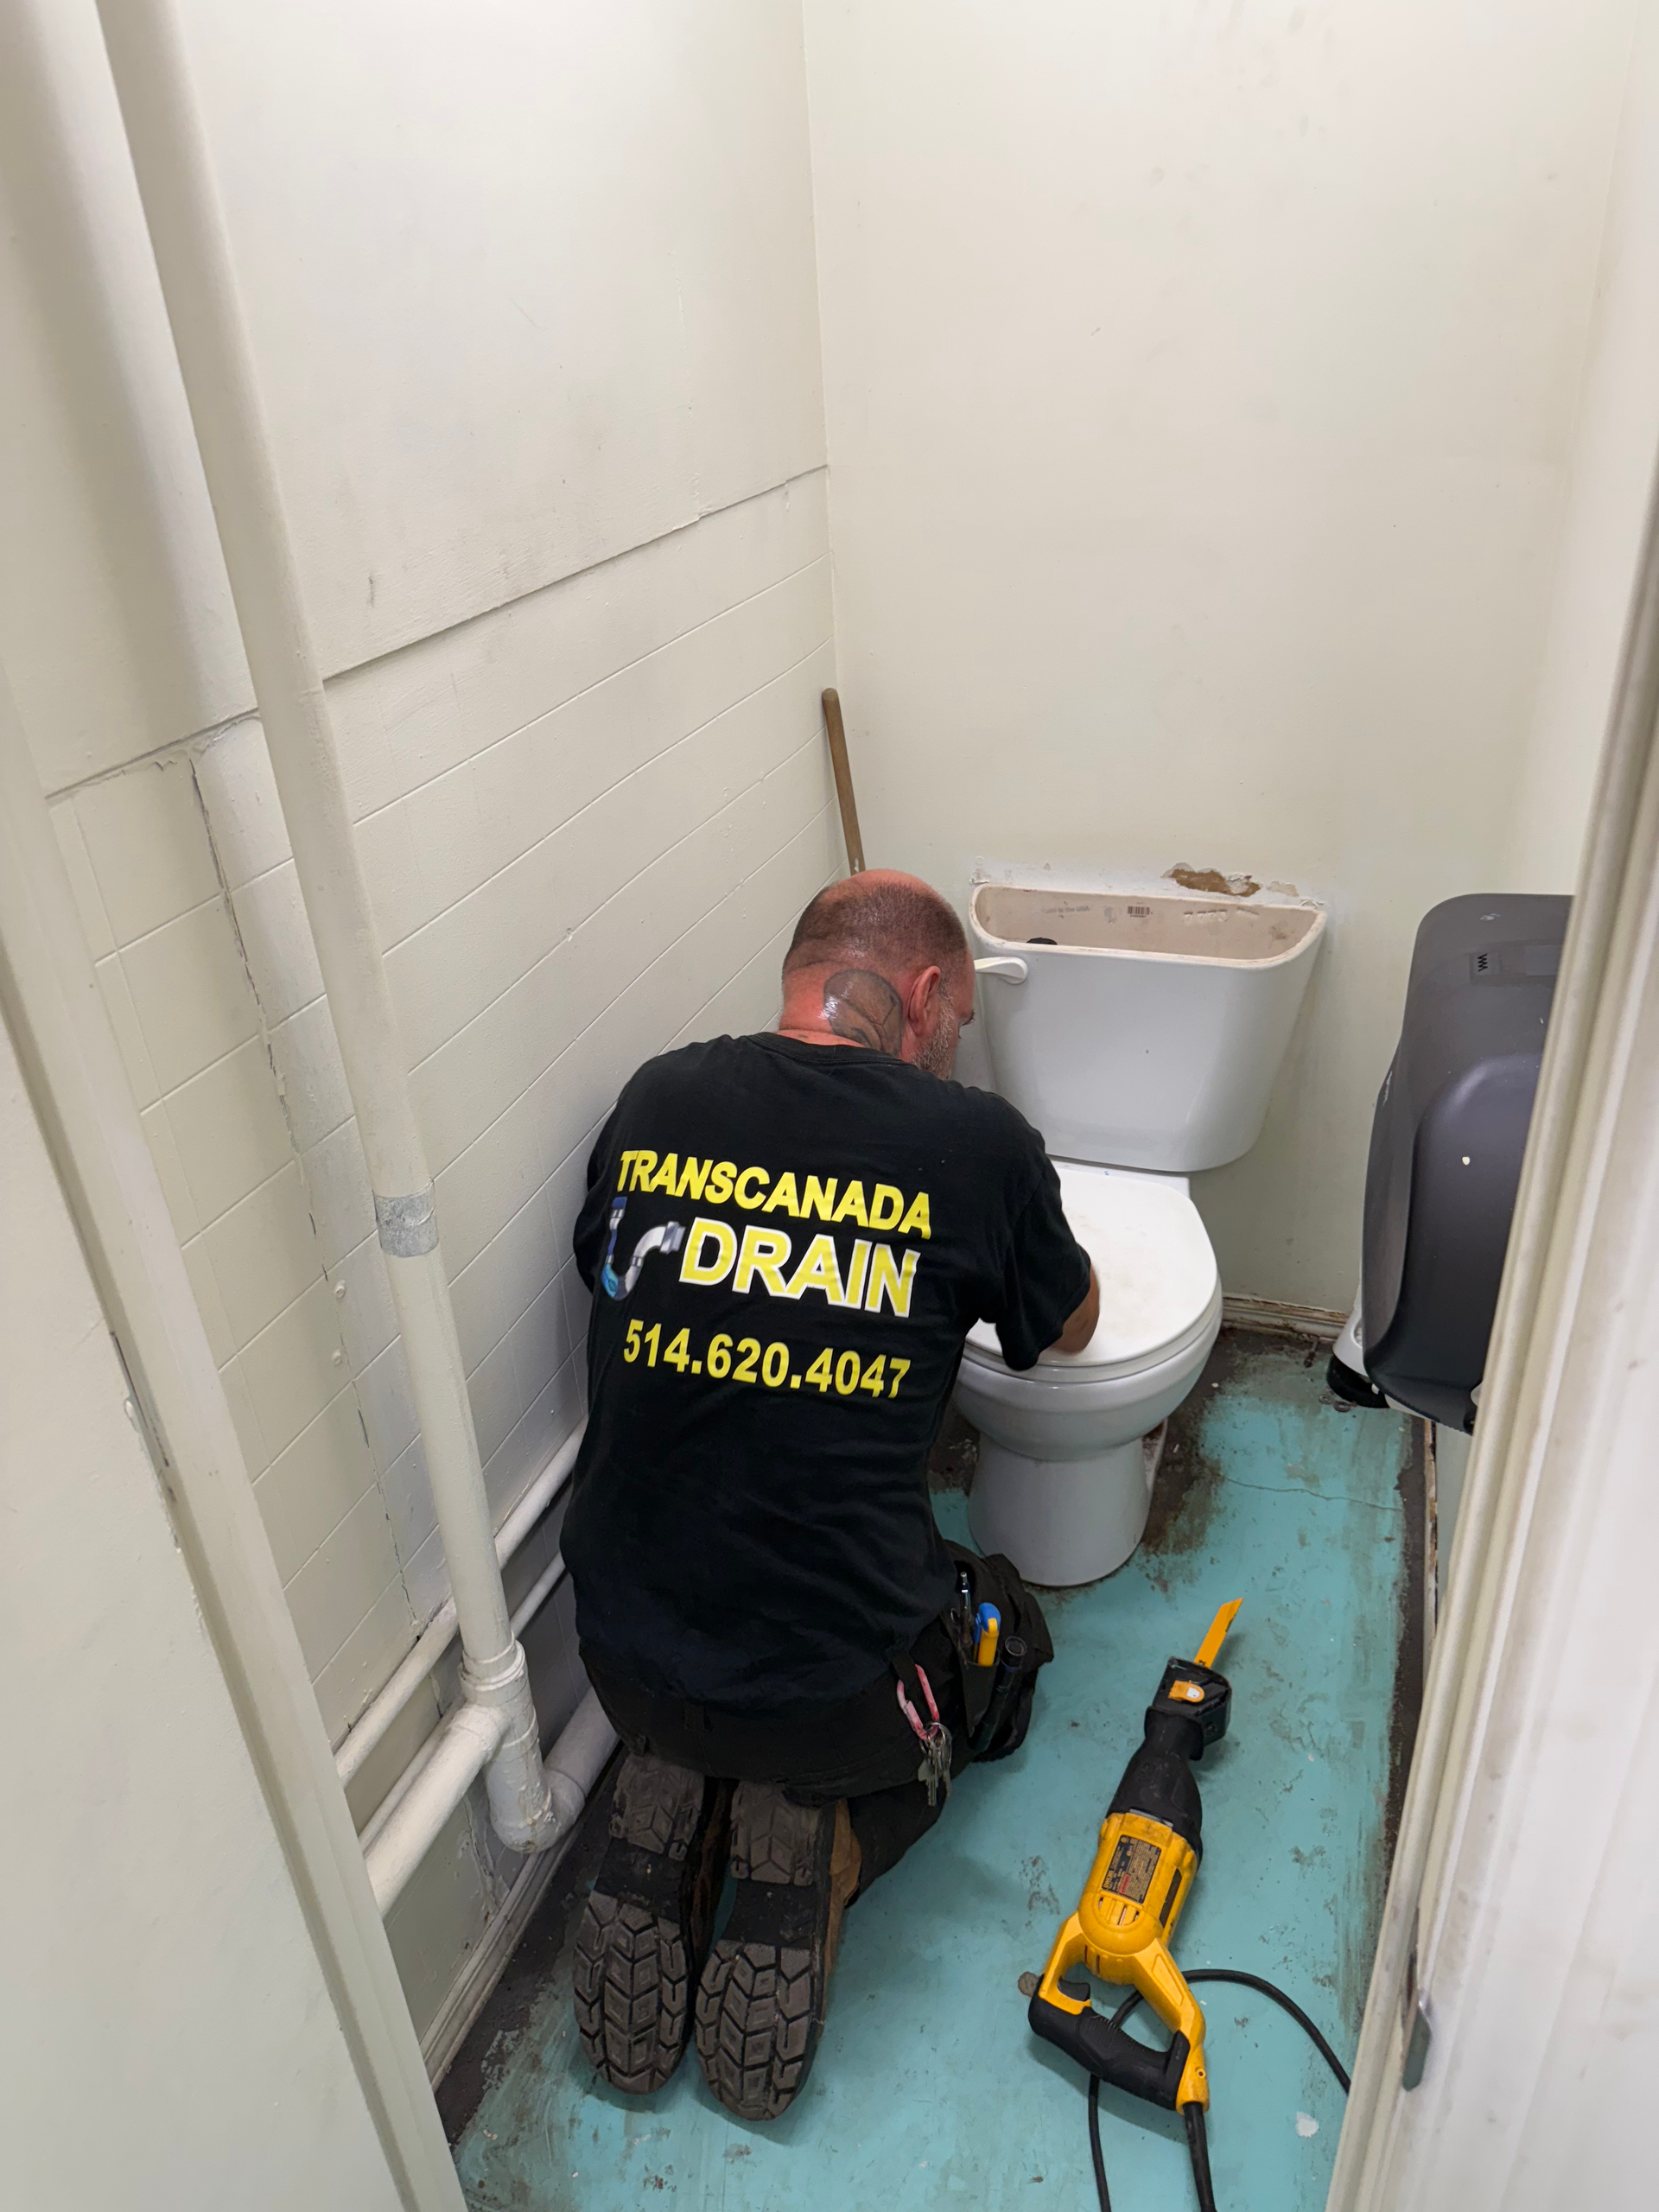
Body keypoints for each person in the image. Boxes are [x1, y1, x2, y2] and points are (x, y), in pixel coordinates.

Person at [562, 869, 1098, 2120]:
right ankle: (823, 1840)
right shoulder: (975, 1146)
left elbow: (609, 1262)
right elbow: (1067, 1331)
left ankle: (683, 1795)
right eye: (956, 1023)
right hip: (832, 1692)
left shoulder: (659, 1092)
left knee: (720, 1637)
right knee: (996, 1645)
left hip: (620, 1655)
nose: (951, 1052)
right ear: (920, 994)